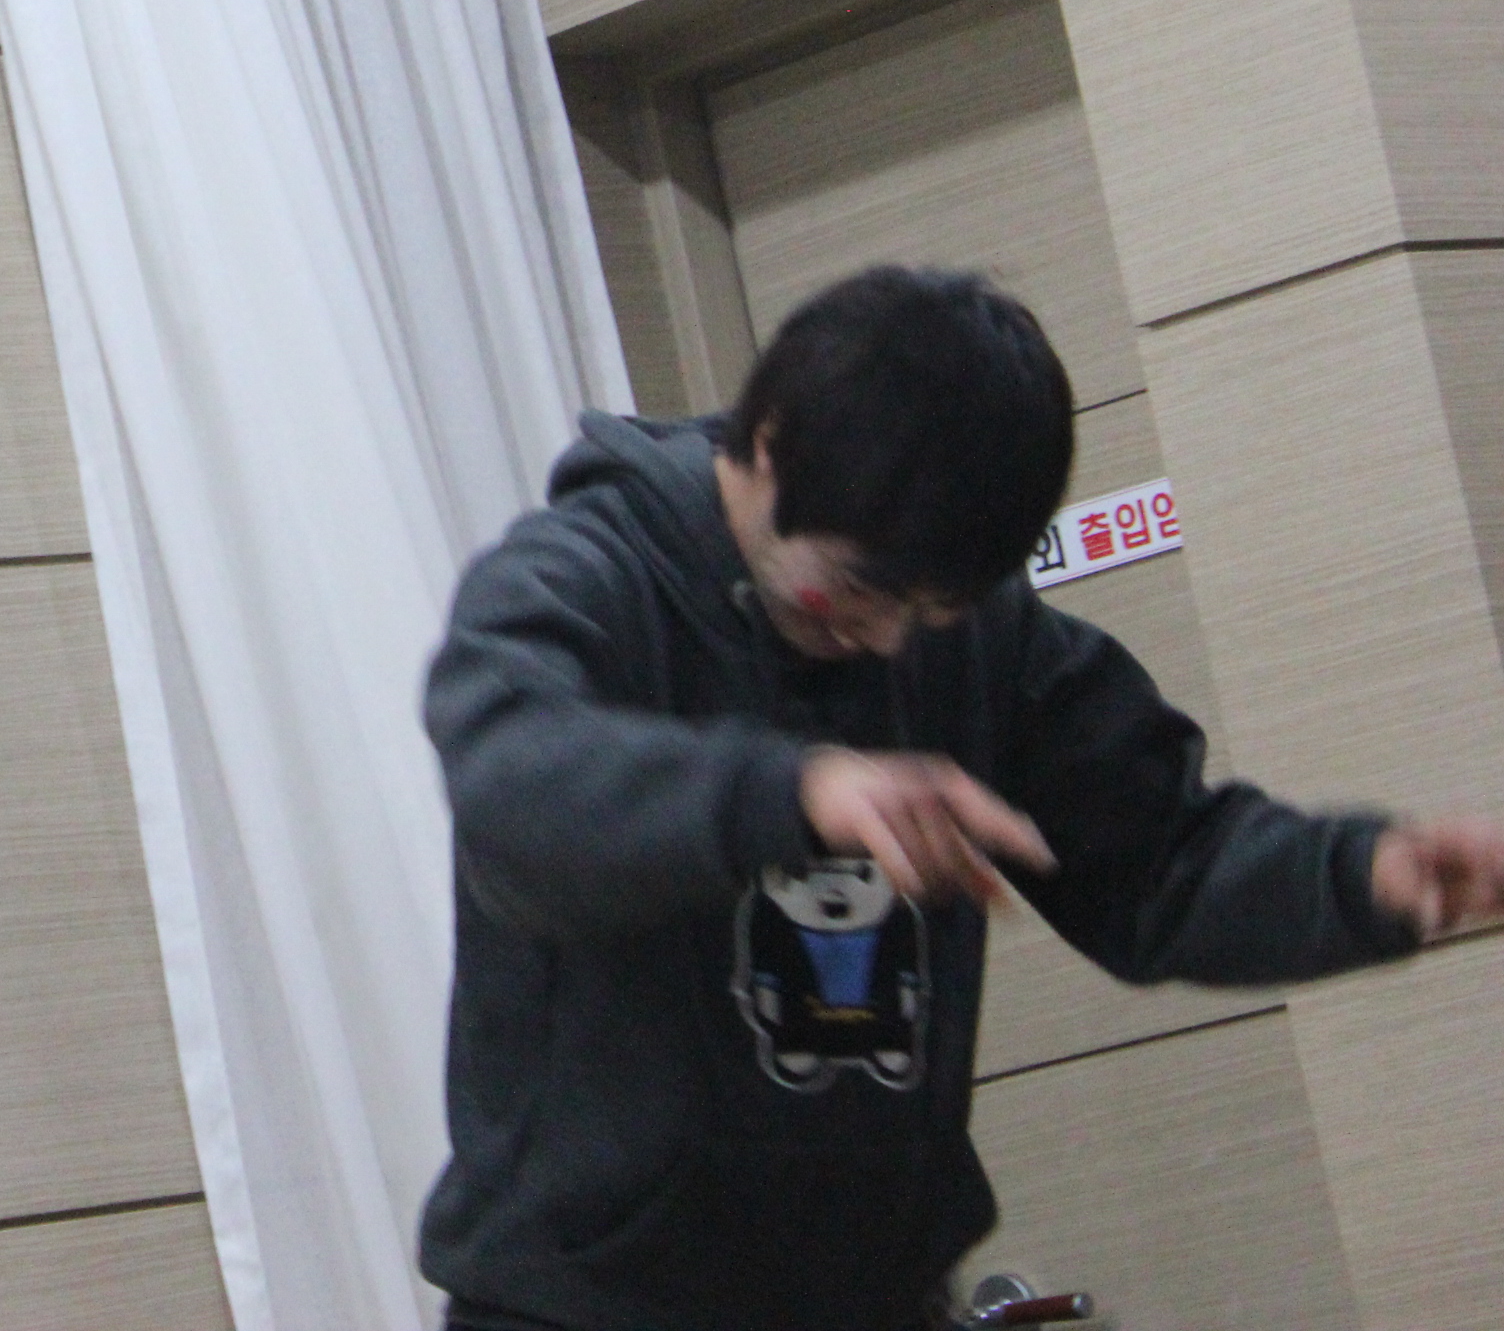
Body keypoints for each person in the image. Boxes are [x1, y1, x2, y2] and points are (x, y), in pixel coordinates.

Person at [418, 264, 1504, 1331]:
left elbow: (1159, 864)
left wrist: (1360, 877)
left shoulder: (977, 639)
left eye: (933, 610)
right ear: (772, 441)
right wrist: (793, 790)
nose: (889, 640)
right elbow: (513, 787)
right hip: (585, 1306)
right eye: (858, 588)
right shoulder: (586, 574)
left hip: (875, 1298)